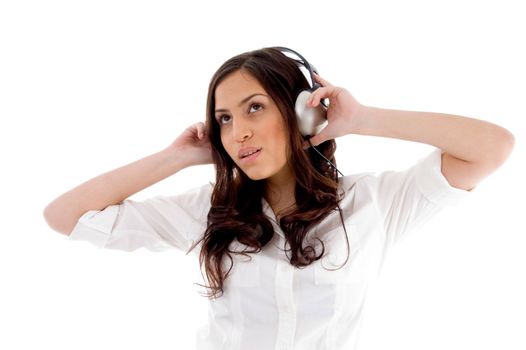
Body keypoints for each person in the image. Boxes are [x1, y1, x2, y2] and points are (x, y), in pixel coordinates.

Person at [43, 46, 514, 350]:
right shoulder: (211, 210)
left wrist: (362, 119)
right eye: (224, 118)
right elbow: (64, 216)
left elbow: (492, 148)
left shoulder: (374, 201)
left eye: (254, 108)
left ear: (301, 112)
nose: (239, 130)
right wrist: (178, 157)